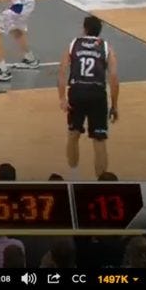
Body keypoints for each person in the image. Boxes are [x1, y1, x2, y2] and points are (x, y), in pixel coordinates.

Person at [57, 15, 120, 179]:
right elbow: (113, 78)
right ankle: (102, 182)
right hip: (97, 94)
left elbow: (62, 72)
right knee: (99, 140)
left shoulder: (74, 44)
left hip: (77, 92)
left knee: (73, 134)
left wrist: (62, 98)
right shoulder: (106, 47)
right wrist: (114, 105)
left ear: (84, 29)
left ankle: (74, 176)